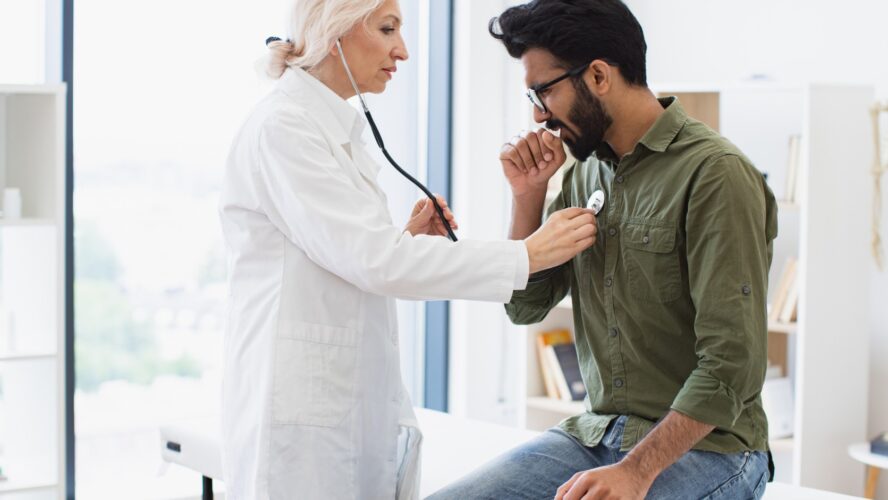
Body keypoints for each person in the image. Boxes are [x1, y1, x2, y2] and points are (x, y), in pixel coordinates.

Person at [217, 0, 599, 498]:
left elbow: (354, 257)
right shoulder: (284, 128)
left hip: (342, 403)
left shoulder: (328, 129)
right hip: (300, 423)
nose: (403, 51)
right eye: (388, 28)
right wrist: (529, 254)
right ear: (334, 34)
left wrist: (407, 242)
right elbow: (374, 262)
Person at [429, 1, 778, 499]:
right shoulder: (582, 174)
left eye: (543, 91)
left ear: (597, 76)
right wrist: (528, 198)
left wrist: (637, 471)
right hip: (597, 434)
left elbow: (731, 363)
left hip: (711, 448)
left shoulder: (715, 174)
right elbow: (525, 307)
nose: (536, 115)